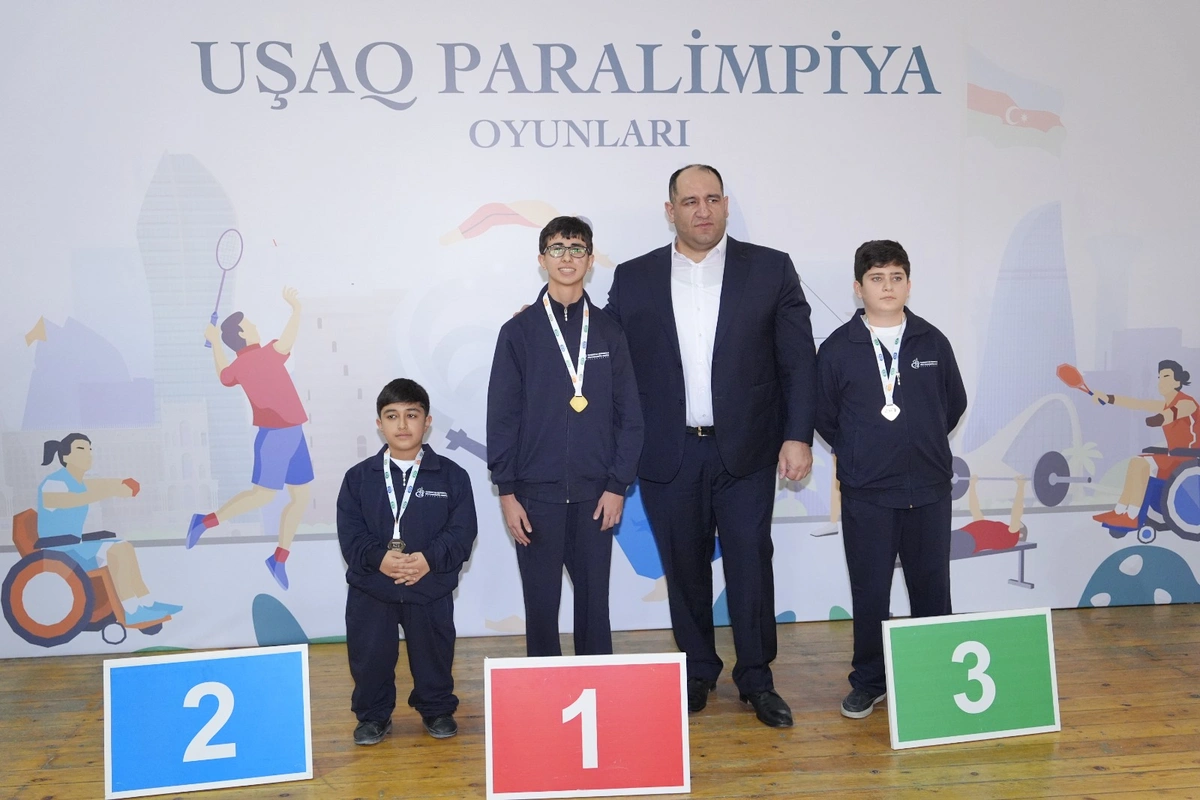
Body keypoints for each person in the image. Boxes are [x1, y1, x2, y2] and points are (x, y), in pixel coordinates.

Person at [605, 165, 817, 728]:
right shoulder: (634, 277)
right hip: (668, 451)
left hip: (747, 448)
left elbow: (799, 361)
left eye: (713, 199)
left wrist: (798, 435)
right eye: (690, 201)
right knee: (684, 565)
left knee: (751, 562)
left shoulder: (771, 269)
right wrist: (546, 314)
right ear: (670, 210)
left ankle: (757, 678)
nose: (703, 210)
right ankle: (697, 670)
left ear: (725, 204)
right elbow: (601, 346)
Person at [815, 239, 967, 719]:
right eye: (877, 278)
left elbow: (953, 404)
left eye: (896, 277)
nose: (887, 286)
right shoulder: (838, 348)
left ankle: (936, 675)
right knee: (870, 592)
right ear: (858, 287)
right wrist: (863, 452)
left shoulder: (932, 342)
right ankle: (870, 681)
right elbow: (825, 415)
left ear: (908, 284)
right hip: (868, 494)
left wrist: (919, 443)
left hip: (929, 490)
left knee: (932, 589)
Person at [487, 216, 643, 658]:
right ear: (542, 259)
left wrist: (617, 486)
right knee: (541, 607)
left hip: (597, 494)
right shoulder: (518, 333)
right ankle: (544, 690)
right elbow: (502, 418)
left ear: (590, 261)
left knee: (595, 607)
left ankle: (597, 685)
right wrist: (507, 492)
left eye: (577, 248)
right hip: (535, 496)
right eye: (557, 248)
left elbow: (630, 417)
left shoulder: (609, 332)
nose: (567, 257)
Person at [336, 378, 478, 744]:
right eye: (392, 416)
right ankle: (373, 715)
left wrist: (429, 559)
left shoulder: (452, 476)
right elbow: (351, 534)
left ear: (427, 422)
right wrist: (379, 559)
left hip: (429, 586)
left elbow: (462, 531)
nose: (402, 425)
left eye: (411, 415)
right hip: (373, 588)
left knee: (434, 652)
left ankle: (437, 708)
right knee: (370, 656)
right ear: (379, 423)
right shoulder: (357, 479)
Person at [190, 286, 313, 591]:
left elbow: (223, 374)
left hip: (293, 432)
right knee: (263, 496)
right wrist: (296, 309)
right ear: (243, 334)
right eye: (251, 324)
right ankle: (204, 521)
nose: (256, 326)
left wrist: (215, 342)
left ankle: (279, 558)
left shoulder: (239, 365)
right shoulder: (264, 355)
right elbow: (288, 340)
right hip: (276, 437)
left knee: (300, 497)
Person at [38, 433, 182, 625]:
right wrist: (110, 491)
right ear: (65, 456)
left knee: (125, 547)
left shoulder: (79, 482)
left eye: (90, 449)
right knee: (118, 551)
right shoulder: (54, 482)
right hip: (58, 552)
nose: (88, 454)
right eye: (81, 449)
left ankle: (147, 603)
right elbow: (70, 500)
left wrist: (123, 485)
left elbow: (104, 484)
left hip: (73, 547)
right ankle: (132, 610)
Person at [1092, 360, 1198, 530]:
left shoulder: (1187, 402)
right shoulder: (1165, 404)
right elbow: (1138, 403)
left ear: (1177, 381)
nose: (1160, 381)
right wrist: (1108, 398)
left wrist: (1159, 419)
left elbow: (1173, 413)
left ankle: (1132, 516)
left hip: (1189, 459)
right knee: (1136, 461)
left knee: (1140, 464)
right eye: (1159, 377)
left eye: (1166, 376)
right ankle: (1120, 511)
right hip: (1175, 456)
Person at [953, 475, 1027, 557]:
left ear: (1020, 535)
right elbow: (974, 509)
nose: (1013, 524)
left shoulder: (1012, 537)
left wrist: (1021, 486)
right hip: (961, 535)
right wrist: (972, 485)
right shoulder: (985, 528)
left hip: (966, 540)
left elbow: (1016, 512)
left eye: (1019, 525)